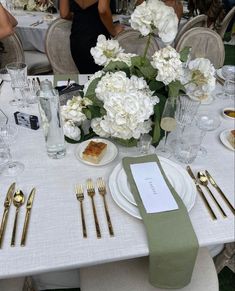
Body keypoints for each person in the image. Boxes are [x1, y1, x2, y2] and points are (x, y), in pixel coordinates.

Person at [59, 0, 124, 73]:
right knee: (101, 79)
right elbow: (103, 10)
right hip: (99, 40)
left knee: (86, 78)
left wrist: (80, 16)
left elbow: (64, 13)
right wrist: (113, 30)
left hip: (77, 38)